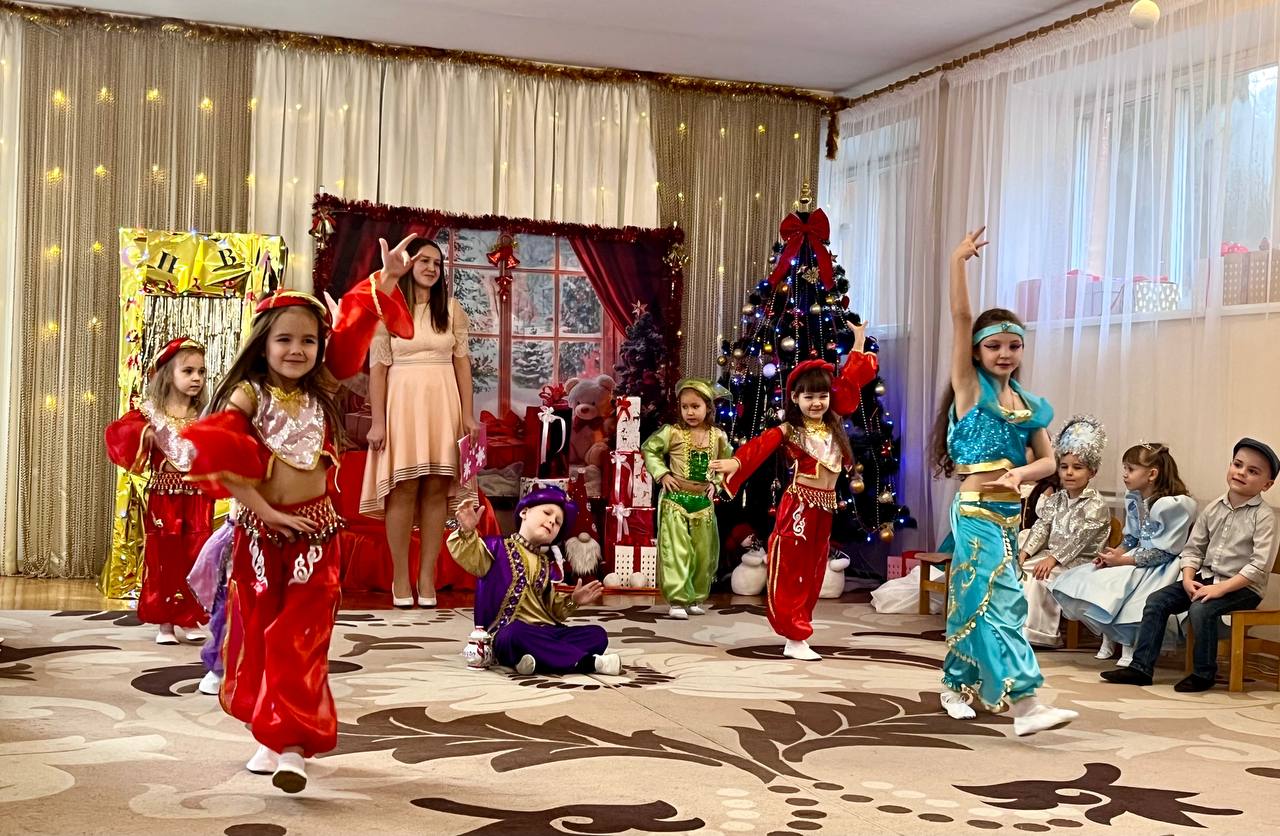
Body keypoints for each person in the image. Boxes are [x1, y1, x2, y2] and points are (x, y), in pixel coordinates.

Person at [183, 238, 414, 793]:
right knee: (262, 638)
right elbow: (223, 457)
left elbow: (353, 337)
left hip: (316, 537)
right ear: (263, 344)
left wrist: (384, 283)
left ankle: (291, 747)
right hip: (261, 538)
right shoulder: (247, 395)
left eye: (309, 340)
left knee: (300, 639)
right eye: (284, 339)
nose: (297, 349)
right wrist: (266, 512)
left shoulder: (323, 389)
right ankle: (270, 735)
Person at [928, 227, 1077, 736]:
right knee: (1004, 602)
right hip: (975, 511)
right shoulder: (970, 390)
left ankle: (955, 685)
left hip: (1010, 517)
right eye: (994, 346)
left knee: (976, 601)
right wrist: (957, 261)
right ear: (976, 352)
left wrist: (1021, 472)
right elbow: (960, 318)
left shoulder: (1030, 405)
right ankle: (1027, 705)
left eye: (1014, 345)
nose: (1005, 353)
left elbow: (1049, 462)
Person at [709, 328, 878, 661]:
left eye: (822, 396)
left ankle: (800, 629)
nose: (816, 403)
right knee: (790, 569)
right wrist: (735, 462)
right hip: (798, 507)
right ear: (795, 399)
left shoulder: (833, 424)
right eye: (808, 397)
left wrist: (858, 342)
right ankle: (793, 632)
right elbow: (759, 447)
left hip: (824, 509)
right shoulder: (790, 430)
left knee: (815, 571)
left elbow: (850, 383)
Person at [1102, 438, 1277, 692]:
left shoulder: (1264, 517)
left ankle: (1204, 673)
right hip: (1206, 578)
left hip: (1243, 588)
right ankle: (1141, 668)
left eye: (1252, 471)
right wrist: (1186, 578)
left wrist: (1220, 589)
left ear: (1267, 484)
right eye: (1237, 465)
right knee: (1157, 601)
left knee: (1200, 609)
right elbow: (1193, 549)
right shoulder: (1213, 508)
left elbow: (1258, 567)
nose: (1241, 473)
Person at [360, 235, 477, 609]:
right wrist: (378, 423)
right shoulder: (387, 309)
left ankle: (427, 577)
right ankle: (400, 577)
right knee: (403, 488)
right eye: (424, 260)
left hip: (443, 405)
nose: (431, 268)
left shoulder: (452, 310)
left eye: (437, 263)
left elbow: (462, 365)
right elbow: (378, 370)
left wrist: (468, 415)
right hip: (402, 406)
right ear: (408, 264)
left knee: (436, 490)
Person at [104, 337, 212, 645]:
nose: (196, 378)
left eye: (201, 372)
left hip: (198, 496)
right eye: (188, 371)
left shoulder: (204, 414)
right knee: (165, 555)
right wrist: (144, 435)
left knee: (196, 554)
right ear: (167, 374)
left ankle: (189, 617)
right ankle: (165, 622)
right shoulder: (151, 414)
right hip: (165, 497)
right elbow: (117, 434)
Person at [447, 486, 620, 676]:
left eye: (558, 522)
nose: (552, 521)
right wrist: (467, 531)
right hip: (507, 634)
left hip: (544, 632)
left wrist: (573, 600)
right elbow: (469, 554)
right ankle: (588, 663)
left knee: (597, 634)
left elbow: (552, 610)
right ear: (524, 512)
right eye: (547, 513)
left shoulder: (546, 565)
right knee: (515, 634)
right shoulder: (497, 548)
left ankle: (534, 661)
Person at [1051, 443, 1196, 667]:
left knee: (1128, 589)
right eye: (1125, 468)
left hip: (1161, 566)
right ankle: (1110, 636)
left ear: (1152, 474)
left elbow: (1165, 552)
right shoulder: (1134, 498)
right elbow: (1131, 539)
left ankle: (1131, 644)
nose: (1125, 474)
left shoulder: (1172, 506)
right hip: (1137, 556)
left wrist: (1123, 561)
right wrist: (1112, 556)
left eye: (1131, 469)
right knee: (1095, 577)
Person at [641, 378, 733, 619]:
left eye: (695, 406)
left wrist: (716, 483)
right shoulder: (672, 433)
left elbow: (727, 463)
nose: (690, 412)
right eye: (685, 407)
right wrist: (662, 474)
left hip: (703, 502)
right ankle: (678, 599)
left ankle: (695, 597)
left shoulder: (718, 436)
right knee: (677, 550)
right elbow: (650, 449)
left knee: (703, 553)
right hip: (675, 501)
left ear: (708, 407)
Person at [1017, 416, 1111, 647]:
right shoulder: (1056, 499)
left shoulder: (1096, 504)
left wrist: (1053, 558)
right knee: (1019, 570)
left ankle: (1042, 634)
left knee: (1041, 577)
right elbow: (1042, 526)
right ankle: (1019, 628)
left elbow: (1079, 540)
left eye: (1077, 468)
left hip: (1082, 563)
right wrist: (1025, 551)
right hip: (1052, 558)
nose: (1069, 473)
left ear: (1092, 472)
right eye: (1064, 467)